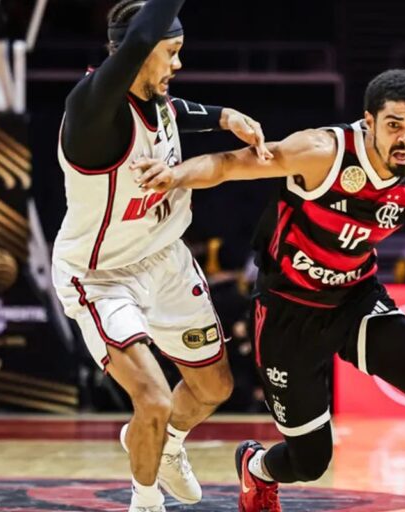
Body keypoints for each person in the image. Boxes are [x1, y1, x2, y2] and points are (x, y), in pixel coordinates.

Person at [137, 69, 405, 512]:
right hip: (288, 310)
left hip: (355, 301)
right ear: (369, 121)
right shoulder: (322, 151)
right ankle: (257, 467)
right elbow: (231, 165)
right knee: (311, 461)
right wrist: (174, 175)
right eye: (395, 125)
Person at [49, 1, 271, 510]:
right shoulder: (90, 109)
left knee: (213, 386)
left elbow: (174, 114)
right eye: (170, 53)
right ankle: (145, 499)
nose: (177, 64)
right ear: (138, 51)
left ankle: (165, 445)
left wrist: (224, 117)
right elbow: (139, 45)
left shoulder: (156, 99)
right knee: (151, 398)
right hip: (101, 276)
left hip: (165, 260)